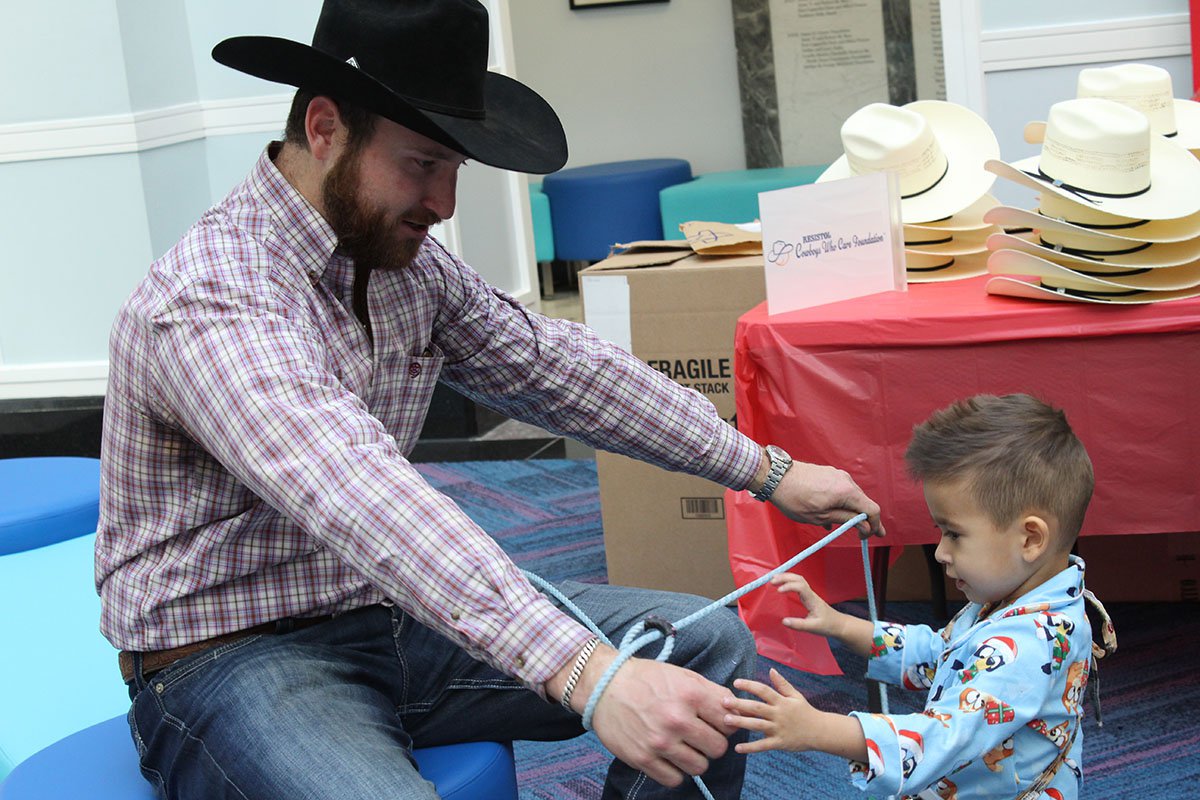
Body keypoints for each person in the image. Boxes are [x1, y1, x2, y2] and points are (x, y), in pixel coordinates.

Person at [95, 1, 884, 797]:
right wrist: (588, 674)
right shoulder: (208, 302)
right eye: (422, 164)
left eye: (455, 170)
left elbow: (562, 371)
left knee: (706, 647)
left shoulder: (404, 266)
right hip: (230, 657)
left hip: (388, 615)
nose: (444, 203)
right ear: (326, 127)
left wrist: (768, 470)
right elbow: (361, 497)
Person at [723, 393, 1117, 799]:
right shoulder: (1015, 601)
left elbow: (944, 738)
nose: (942, 553)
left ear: (1030, 538)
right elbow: (937, 654)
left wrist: (820, 730)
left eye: (954, 534)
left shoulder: (1027, 645)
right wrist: (841, 625)